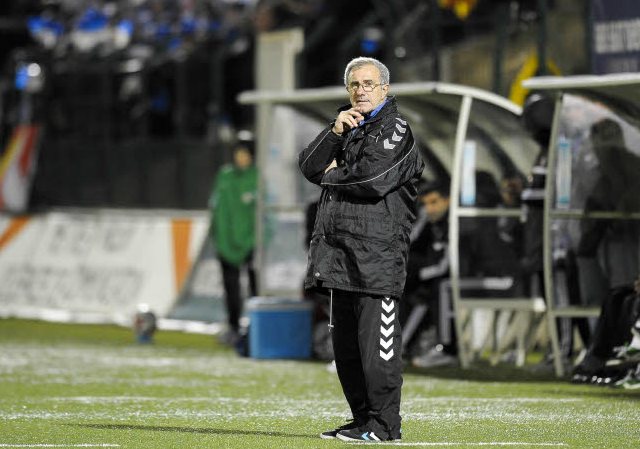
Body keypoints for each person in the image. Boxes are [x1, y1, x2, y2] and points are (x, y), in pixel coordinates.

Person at [298, 56, 425, 442]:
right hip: (340, 258)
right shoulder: (348, 126)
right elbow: (308, 166)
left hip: (377, 260)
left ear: (384, 89)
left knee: (377, 351)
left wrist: (332, 175)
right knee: (348, 351)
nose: (360, 91)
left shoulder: (396, 129)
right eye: (354, 84)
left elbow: (372, 178)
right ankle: (362, 420)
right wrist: (334, 132)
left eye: (369, 84)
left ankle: (385, 426)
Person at [402, 181, 456, 367]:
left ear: (448, 201)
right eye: (425, 204)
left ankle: (447, 349)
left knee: (439, 287)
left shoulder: (455, 222)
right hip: (438, 275)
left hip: (466, 278)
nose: (429, 209)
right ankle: (400, 346)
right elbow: (409, 246)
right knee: (403, 278)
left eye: (434, 202)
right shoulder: (432, 223)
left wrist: (419, 275)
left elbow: (447, 265)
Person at [208, 142, 258, 345]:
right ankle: (234, 327)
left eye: (245, 154)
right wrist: (219, 237)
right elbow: (216, 208)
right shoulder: (225, 176)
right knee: (231, 288)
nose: (241, 158)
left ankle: (257, 327)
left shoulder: (258, 177)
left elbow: (266, 213)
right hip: (226, 243)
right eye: (238, 154)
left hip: (253, 244)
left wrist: (260, 241)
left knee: (256, 287)